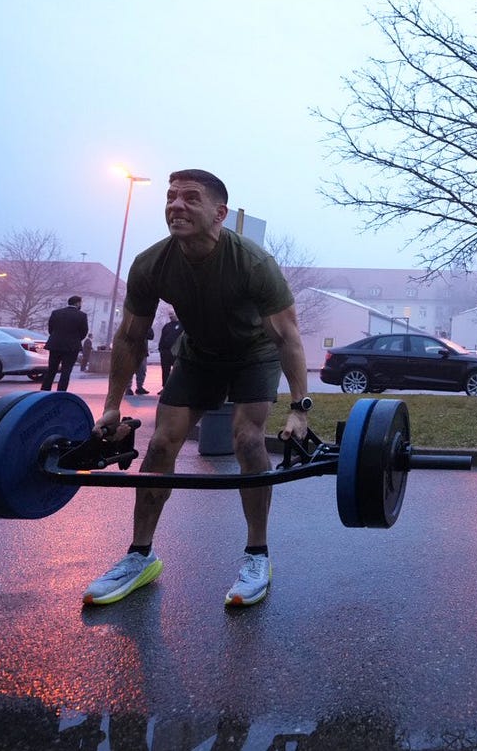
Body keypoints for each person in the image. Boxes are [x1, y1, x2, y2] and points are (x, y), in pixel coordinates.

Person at [82, 169, 313, 608]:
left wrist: (300, 408)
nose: (176, 206)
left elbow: (287, 337)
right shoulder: (152, 263)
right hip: (198, 355)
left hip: (254, 352)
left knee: (247, 439)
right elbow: (131, 336)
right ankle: (140, 557)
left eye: (191, 198)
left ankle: (257, 555)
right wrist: (112, 406)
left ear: (219, 213)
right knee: (161, 443)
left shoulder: (253, 263)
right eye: (171, 198)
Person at [40, 295, 89, 392]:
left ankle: (44, 391)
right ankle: (61, 392)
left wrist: (57, 337)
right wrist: (76, 339)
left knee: (51, 370)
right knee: (66, 372)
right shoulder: (82, 315)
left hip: (55, 345)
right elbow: (84, 331)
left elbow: (51, 329)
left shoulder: (56, 313)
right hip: (71, 347)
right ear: (78, 303)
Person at [126, 325, 154, 396]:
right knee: (129, 371)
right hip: (131, 351)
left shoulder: (146, 325)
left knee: (142, 371)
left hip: (142, 352)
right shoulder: (131, 324)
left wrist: (147, 327)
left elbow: (151, 336)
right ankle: (128, 388)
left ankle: (139, 387)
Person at [157, 310, 182, 386]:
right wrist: (161, 349)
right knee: (165, 371)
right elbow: (162, 338)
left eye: (172, 314)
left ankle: (177, 387)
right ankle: (165, 387)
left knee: (177, 371)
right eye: (169, 314)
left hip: (177, 352)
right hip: (166, 352)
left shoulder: (182, 325)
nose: (171, 316)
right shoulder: (167, 326)